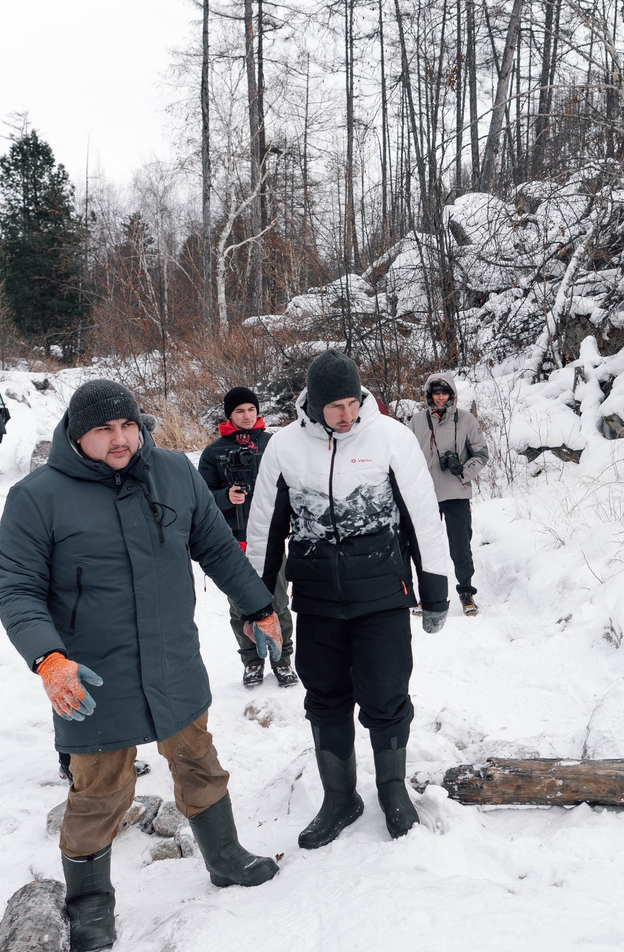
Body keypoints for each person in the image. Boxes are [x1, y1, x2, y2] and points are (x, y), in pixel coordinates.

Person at [0, 378, 290, 952]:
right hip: (92, 671)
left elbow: (217, 548)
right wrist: (48, 659)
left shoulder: (174, 472)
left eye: (128, 425)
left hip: (172, 654)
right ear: (76, 435)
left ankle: (225, 857)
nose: (120, 439)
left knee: (198, 758)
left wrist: (259, 608)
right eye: (104, 429)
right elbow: (17, 589)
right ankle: (90, 903)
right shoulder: (37, 497)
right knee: (100, 787)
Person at [244, 350, 454, 846]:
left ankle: (392, 791)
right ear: (313, 404)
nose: (346, 414)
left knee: (386, 694)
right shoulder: (285, 448)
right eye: (334, 406)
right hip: (317, 600)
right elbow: (265, 530)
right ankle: (340, 798)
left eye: (352, 403)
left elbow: (422, 517)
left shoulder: (390, 438)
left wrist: (435, 592)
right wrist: (257, 606)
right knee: (324, 698)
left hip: (382, 596)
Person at [198, 385, 297, 690]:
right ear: (229, 415)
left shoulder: (273, 444)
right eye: (239, 411)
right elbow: (201, 499)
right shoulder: (214, 452)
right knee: (241, 605)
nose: (246, 415)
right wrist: (225, 497)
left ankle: (282, 659)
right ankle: (252, 660)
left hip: (269, 537)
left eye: (251, 409)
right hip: (233, 542)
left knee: (277, 601)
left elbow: (292, 484)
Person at [405, 371, 488, 615]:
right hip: (426, 495)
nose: (441, 398)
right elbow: (405, 456)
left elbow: (481, 454)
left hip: (456, 494)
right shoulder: (417, 421)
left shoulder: (466, 420)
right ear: (429, 395)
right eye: (436, 393)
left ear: (452, 395)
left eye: (445, 393)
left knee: (460, 548)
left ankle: (466, 593)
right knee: (425, 548)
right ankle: (429, 598)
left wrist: (463, 472)